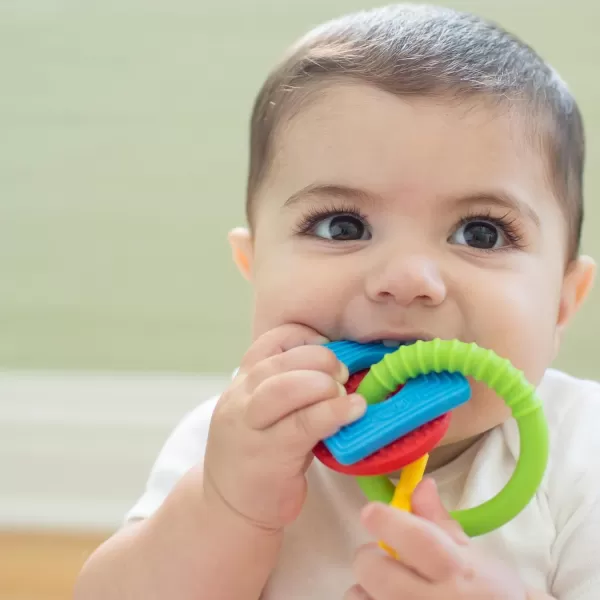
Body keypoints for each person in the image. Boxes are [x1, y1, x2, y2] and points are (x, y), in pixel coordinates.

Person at [74, 4, 599, 599]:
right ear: (254, 267)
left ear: (561, 302)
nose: (406, 279)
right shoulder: (239, 437)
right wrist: (226, 506)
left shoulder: (585, 449)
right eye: (342, 226)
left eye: (481, 232)